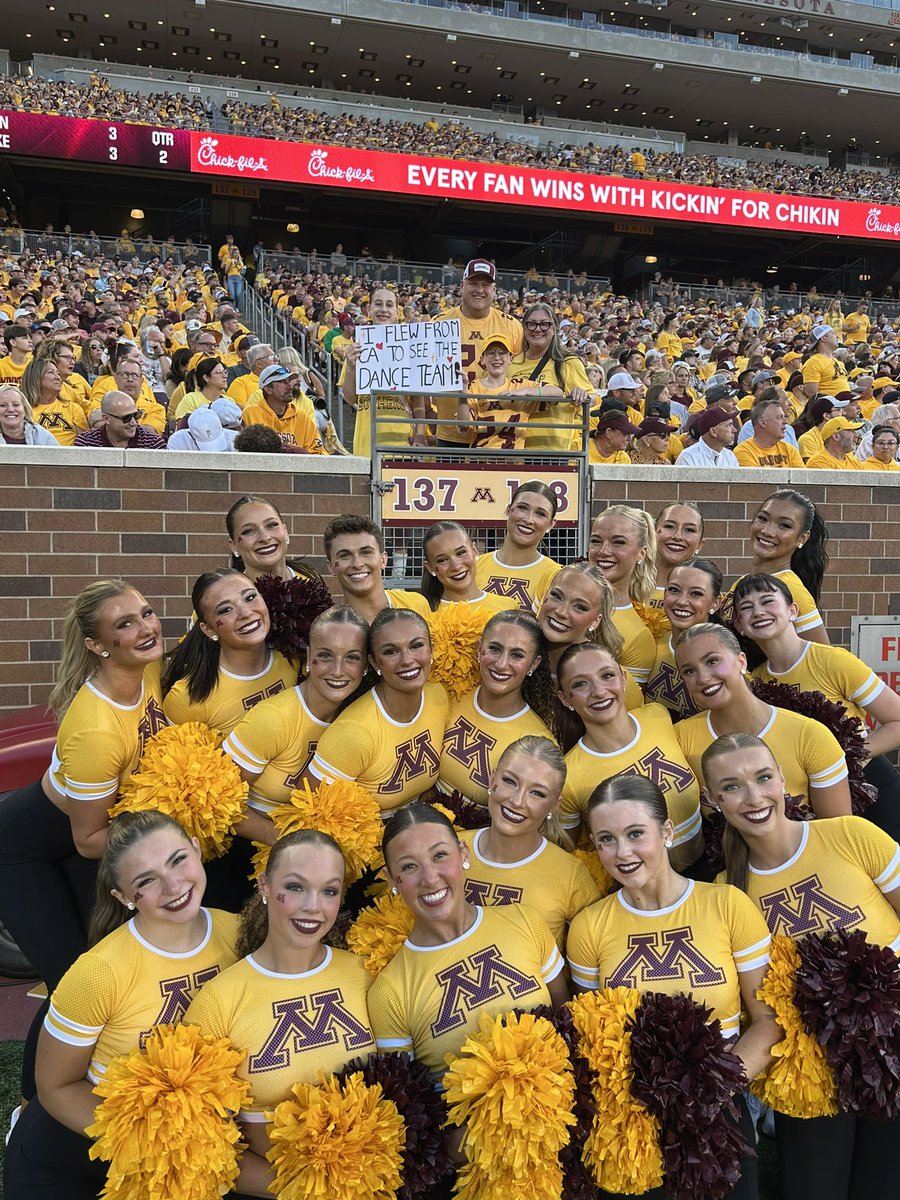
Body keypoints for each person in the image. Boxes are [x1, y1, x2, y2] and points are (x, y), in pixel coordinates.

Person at [702, 733, 900, 1200]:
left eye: (763, 778)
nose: (753, 797)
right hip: (807, 1066)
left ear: (783, 780)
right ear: (712, 801)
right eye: (732, 787)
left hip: (889, 1046)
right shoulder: (727, 890)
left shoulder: (851, 834)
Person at [4, 811, 239, 1200]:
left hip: (189, 1148)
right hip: (75, 1156)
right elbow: (55, 1087)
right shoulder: (99, 972)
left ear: (198, 850)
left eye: (178, 859)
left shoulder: (238, 933)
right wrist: (158, 1144)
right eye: (146, 880)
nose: (173, 884)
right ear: (125, 898)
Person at [565, 774, 779, 1200]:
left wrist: (710, 1092)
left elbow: (768, 1020)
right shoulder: (590, 926)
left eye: (635, 833)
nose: (622, 852)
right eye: (606, 839)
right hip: (629, 1114)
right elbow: (591, 1032)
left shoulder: (727, 904)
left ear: (666, 831)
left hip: (717, 1100)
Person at [184, 830, 375, 1199]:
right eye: (296, 887)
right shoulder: (219, 1000)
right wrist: (303, 1190)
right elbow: (199, 1141)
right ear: (265, 886)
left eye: (329, 891)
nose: (313, 907)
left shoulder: (367, 973)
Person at [0, 581, 168, 999]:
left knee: (108, 960)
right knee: (75, 988)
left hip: (85, 836)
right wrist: (173, 826)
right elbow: (90, 840)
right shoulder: (96, 729)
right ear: (98, 645)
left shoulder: (149, 670)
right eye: (126, 624)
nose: (147, 628)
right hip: (26, 850)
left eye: (146, 613)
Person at [368, 802, 568, 1081]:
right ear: (392, 880)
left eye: (440, 855)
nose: (429, 877)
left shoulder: (524, 920)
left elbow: (568, 1025)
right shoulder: (389, 992)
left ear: (463, 853)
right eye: (410, 866)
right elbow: (409, 1106)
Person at [733, 572, 900, 840]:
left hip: (871, 785)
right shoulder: (756, 681)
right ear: (740, 626)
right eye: (746, 608)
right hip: (811, 802)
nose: (758, 612)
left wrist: (847, 757)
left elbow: (897, 721)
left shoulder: (834, 661)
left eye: (767, 601)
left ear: (792, 610)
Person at [674, 623, 851, 819]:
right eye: (689, 671)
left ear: (742, 662)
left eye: (712, 661)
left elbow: (838, 834)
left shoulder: (809, 735)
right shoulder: (679, 738)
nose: (703, 678)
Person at [222, 607, 369, 839]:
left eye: (352, 657)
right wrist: (287, 841)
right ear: (310, 657)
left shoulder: (357, 716)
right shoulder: (273, 719)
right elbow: (217, 798)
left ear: (366, 665)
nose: (338, 670)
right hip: (245, 849)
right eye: (326, 655)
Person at [557, 642, 703, 868]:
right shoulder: (568, 777)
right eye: (581, 684)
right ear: (566, 699)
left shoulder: (657, 716)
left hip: (707, 873)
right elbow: (569, 860)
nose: (599, 691)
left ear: (624, 679)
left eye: (607, 675)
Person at [307, 608, 449, 816]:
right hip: (362, 842)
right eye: (391, 651)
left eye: (416, 646)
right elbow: (311, 815)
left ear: (431, 650)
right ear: (374, 663)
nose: (407, 660)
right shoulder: (352, 733)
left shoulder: (439, 696)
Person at [462, 736, 599, 947]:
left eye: (537, 793)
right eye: (509, 781)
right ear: (492, 780)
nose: (517, 801)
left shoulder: (571, 876)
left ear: (554, 805)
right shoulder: (449, 849)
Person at [436, 611, 557, 818]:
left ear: (534, 664)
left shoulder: (536, 742)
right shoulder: (449, 693)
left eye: (517, 655)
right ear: (479, 648)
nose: (501, 664)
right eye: (494, 648)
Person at [161, 568, 296, 738]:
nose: (246, 613)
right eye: (225, 610)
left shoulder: (294, 656)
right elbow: (174, 760)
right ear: (209, 629)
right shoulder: (187, 698)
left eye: (250, 598)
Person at [426, 259, 523, 449]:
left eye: (485, 285)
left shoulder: (512, 325)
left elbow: (521, 375)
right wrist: (429, 414)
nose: (479, 290)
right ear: (462, 286)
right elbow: (422, 374)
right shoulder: (437, 323)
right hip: (450, 430)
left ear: (494, 290)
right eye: (473, 284)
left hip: (496, 433)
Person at [722, 489, 830, 644]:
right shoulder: (744, 581)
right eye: (762, 518)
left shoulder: (792, 588)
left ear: (802, 538)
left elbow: (823, 660)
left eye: (784, 525)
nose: (767, 531)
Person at [340, 285, 415, 458]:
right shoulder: (357, 348)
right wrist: (351, 367)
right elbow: (350, 398)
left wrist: (419, 433)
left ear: (397, 311)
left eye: (389, 305)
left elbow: (419, 400)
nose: (384, 310)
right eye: (378, 304)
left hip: (403, 439)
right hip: (368, 439)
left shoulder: (410, 346)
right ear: (369, 309)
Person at [587, 505, 658, 686]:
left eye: (618, 542)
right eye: (596, 541)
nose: (603, 551)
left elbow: (623, 705)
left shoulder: (640, 638)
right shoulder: (560, 601)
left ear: (641, 553)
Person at [506, 302, 591, 451]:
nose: (537, 329)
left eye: (544, 324)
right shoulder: (511, 364)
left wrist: (581, 393)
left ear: (554, 328)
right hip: (514, 447)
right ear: (524, 328)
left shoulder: (568, 361)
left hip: (554, 450)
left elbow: (594, 398)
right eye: (531, 324)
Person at [645, 557, 723, 720]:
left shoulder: (725, 657)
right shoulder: (650, 644)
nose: (681, 601)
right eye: (674, 590)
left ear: (715, 603)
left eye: (696, 594)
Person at [324, 513, 431, 624]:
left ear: (383, 560)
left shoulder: (417, 605)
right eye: (345, 555)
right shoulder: (330, 631)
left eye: (366, 552)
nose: (357, 564)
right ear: (331, 566)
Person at [474, 481, 561, 613]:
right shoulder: (475, 565)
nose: (529, 519)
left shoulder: (557, 575)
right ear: (509, 510)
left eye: (540, 514)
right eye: (522, 508)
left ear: (551, 524)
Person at [420, 520, 517, 622]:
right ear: (430, 567)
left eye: (461, 553)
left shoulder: (507, 607)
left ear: (474, 550)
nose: (456, 566)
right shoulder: (422, 612)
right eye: (442, 560)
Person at [225, 494, 322, 588]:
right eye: (248, 531)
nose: (265, 538)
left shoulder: (311, 584)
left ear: (285, 531)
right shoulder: (230, 597)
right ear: (234, 546)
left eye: (271, 525)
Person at [241, 364, 325, 453]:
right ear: (268, 389)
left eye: (289, 381)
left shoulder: (302, 418)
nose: (289, 386)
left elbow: (317, 451)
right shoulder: (250, 415)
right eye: (283, 382)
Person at [22, 357, 87, 445]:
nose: (58, 378)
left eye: (58, 373)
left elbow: (84, 445)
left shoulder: (73, 408)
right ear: (36, 377)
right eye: (51, 372)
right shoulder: (23, 410)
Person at [651, 502, 705, 608]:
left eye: (689, 530)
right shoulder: (625, 586)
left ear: (700, 544)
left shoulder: (707, 594)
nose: (677, 536)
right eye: (669, 526)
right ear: (653, 534)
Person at [73, 390, 166, 449]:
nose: (133, 423)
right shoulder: (86, 443)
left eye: (136, 415)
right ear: (106, 418)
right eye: (127, 418)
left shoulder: (153, 444)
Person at [733, 395, 805, 468]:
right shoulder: (744, 451)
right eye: (779, 417)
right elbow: (755, 479)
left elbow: (802, 478)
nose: (785, 421)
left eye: (784, 417)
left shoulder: (790, 450)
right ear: (763, 423)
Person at [675, 404, 739, 466]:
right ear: (713, 431)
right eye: (729, 425)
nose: (734, 430)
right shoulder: (688, 457)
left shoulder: (730, 456)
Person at [173, 356, 230, 422]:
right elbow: (183, 426)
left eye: (225, 372)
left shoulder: (229, 401)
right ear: (206, 377)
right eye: (219, 372)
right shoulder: (191, 399)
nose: (225, 376)